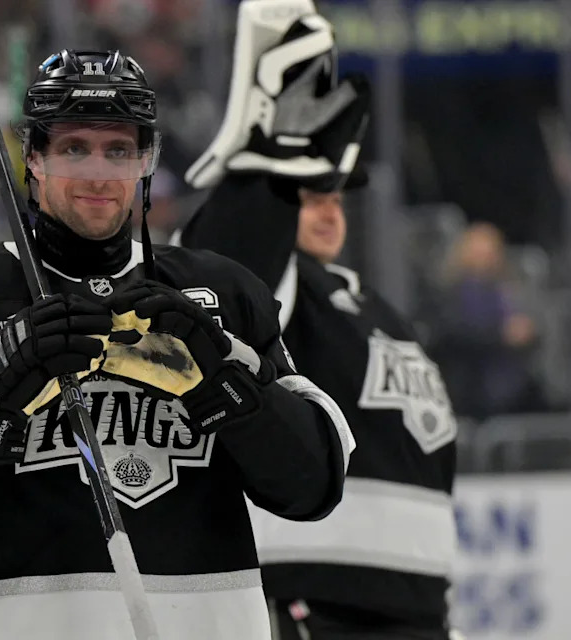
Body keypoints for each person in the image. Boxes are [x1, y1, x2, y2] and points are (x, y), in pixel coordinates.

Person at [0, 48, 355, 640]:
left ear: (148, 160)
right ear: (33, 157)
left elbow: (316, 484)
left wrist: (227, 380)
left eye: (118, 150)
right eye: (73, 148)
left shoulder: (221, 292)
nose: (97, 173)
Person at [177, 4, 458, 639]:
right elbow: (224, 263)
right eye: (310, 197)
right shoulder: (270, 290)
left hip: (415, 612)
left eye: (335, 198)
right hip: (311, 600)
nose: (329, 211)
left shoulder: (373, 307)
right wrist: (268, 159)